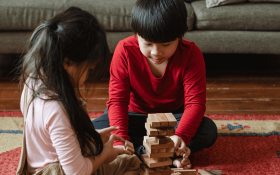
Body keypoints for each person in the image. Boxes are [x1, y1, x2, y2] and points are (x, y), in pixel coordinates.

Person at [92, 0, 218, 170]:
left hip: (172, 119)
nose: (156, 52)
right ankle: (161, 155)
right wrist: (120, 139)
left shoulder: (191, 54)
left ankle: (143, 153)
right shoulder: (124, 50)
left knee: (208, 130)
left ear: (180, 37)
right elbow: (117, 101)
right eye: (147, 43)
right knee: (91, 133)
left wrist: (180, 136)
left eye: (166, 45)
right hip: (133, 116)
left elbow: (195, 104)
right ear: (137, 35)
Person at [17, 7, 140, 175]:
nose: (87, 77)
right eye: (88, 69)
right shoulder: (55, 108)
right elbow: (77, 172)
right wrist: (105, 155)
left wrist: (92, 137)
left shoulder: (32, 80)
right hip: (59, 171)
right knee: (132, 162)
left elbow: (49, 138)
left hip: (37, 169)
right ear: (67, 62)